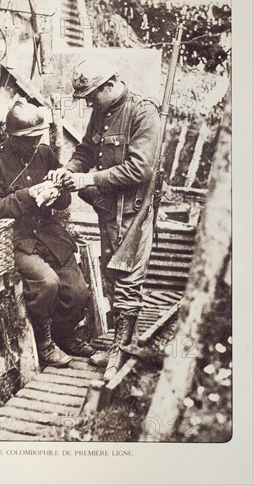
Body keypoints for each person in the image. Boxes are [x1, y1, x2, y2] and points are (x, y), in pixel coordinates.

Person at [47, 59, 161, 381]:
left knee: (128, 281)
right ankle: (118, 346)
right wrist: (69, 170)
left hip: (134, 211)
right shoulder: (102, 110)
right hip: (108, 211)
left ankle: (119, 353)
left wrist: (88, 180)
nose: (88, 103)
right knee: (112, 277)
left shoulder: (143, 113)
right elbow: (85, 150)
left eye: (91, 96)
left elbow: (140, 169)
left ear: (109, 85)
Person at [0, 100, 95, 368]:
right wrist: (28, 196)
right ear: (11, 137)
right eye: (27, 139)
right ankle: (44, 343)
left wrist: (59, 191)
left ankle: (66, 336)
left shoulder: (44, 154)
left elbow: (64, 201)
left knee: (78, 291)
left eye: (37, 137)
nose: (34, 143)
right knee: (47, 283)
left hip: (49, 233)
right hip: (15, 239)